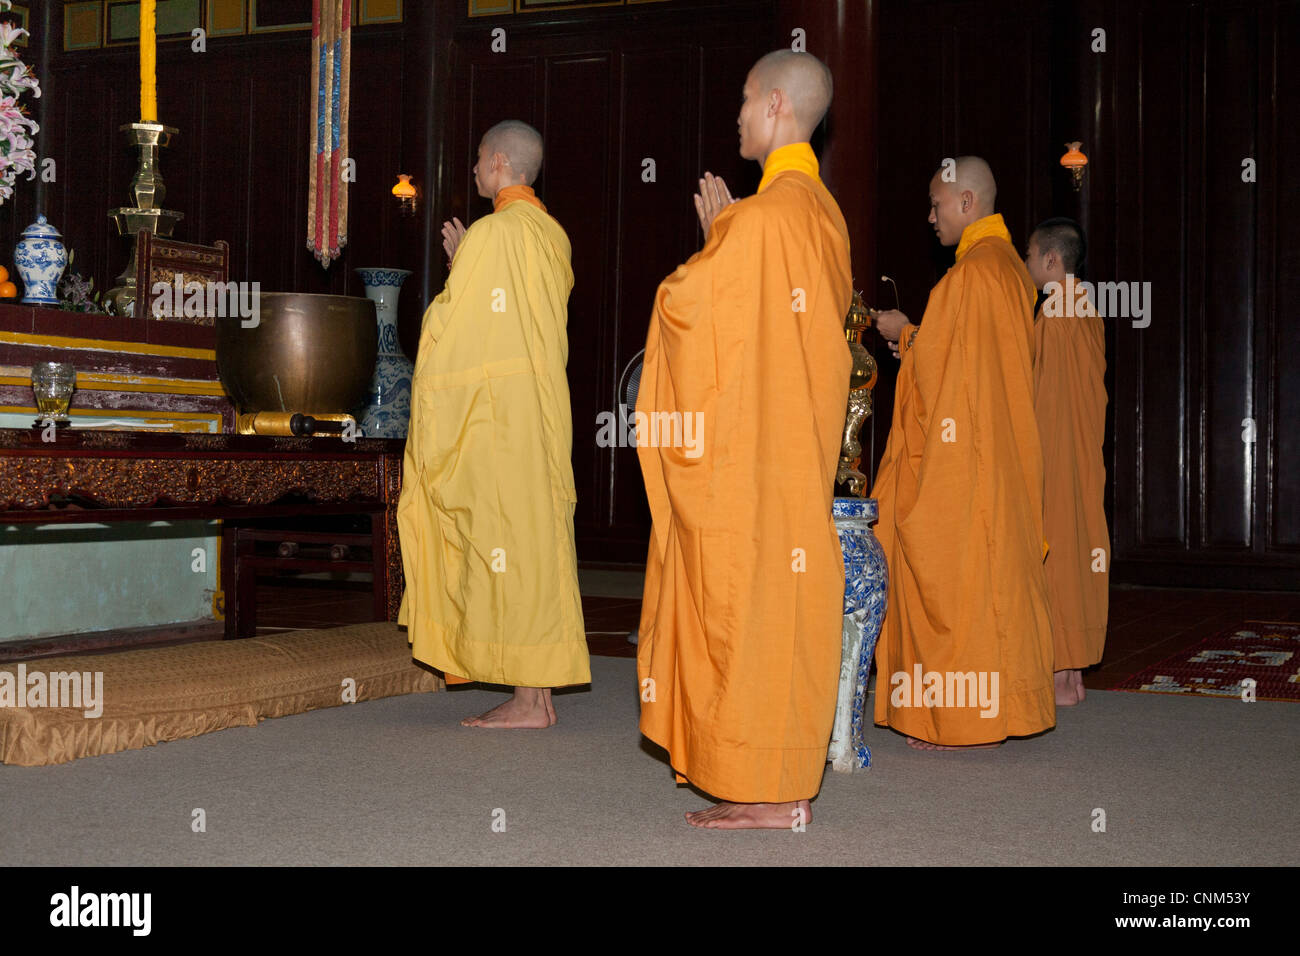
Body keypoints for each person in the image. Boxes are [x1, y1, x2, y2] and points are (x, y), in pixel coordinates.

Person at [636, 50, 852, 828]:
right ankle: (784, 782)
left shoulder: (760, 219)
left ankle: (767, 791)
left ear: (774, 105)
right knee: (786, 601)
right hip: (798, 447)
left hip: (752, 458)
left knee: (744, 601)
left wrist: (713, 244)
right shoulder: (821, 212)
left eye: (741, 100)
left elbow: (689, 311)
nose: (734, 116)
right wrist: (728, 234)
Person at [397, 119, 590, 729]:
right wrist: (470, 269)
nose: (475, 168)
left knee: (503, 539)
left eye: (480, 158)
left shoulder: (495, 234)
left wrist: (462, 269)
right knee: (534, 541)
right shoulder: (551, 235)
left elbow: (453, 334)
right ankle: (539, 694)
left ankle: (531, 701)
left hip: (499, 421)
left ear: (502, 162)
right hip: (542, 416)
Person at [871, 156, 1055, 750]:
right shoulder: (1007, 270)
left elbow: (947, 380)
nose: (930, 216)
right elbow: (971, 367)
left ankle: (956, 716)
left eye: (937, 203)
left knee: (959, 577)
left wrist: (904, 335)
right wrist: (920, 339)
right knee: (996, 580)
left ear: (968, 202)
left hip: (967, 465)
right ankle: (1004, 709)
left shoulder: (970, 276)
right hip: (1004, 459)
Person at [1024, 217, 1109, 706]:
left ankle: (1059, 674)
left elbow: (1043, 394)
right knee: (1078, 546)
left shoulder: (1056, 315)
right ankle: (1073, 670)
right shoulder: (1085, 308)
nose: (1027, 264)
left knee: (1055, 552)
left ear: (1051, 260)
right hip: (1080, 452)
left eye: (1030, 256)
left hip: (1055, 452)